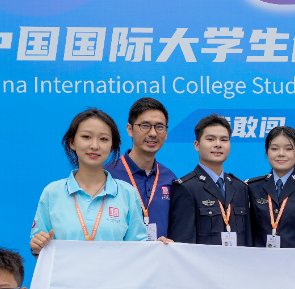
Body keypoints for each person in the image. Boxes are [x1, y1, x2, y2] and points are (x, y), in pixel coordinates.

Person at [30, 108, 150, 257]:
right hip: (66, 273)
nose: (94, 145)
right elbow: (40, 249)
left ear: (112, 146)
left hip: (114, 273)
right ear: (72, 142)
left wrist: (161, 248)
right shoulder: (52, 192)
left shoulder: (127, 193)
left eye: (103, 139)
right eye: (86, 137)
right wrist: (37, 246)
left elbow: (139, 249)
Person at [168, 114, 253, 246]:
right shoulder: (186, 188)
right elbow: (183, 244)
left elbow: (248, 240)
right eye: (210, 139)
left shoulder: (240, 187)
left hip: (238, 259)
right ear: (197, 145)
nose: (218, 145)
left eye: (224, 140)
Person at [105, 97, 177, 241]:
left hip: (159, 255)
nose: (153, 133)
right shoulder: (107, 175)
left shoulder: (170, 179)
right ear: (130, 129)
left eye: (160, 127)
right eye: (145, 126)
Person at [247, 126, 295, 248]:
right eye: (274, 148)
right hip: (260, 259)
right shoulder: (252, 188)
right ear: (267, 153)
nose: (281, 154)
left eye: (288, 149)